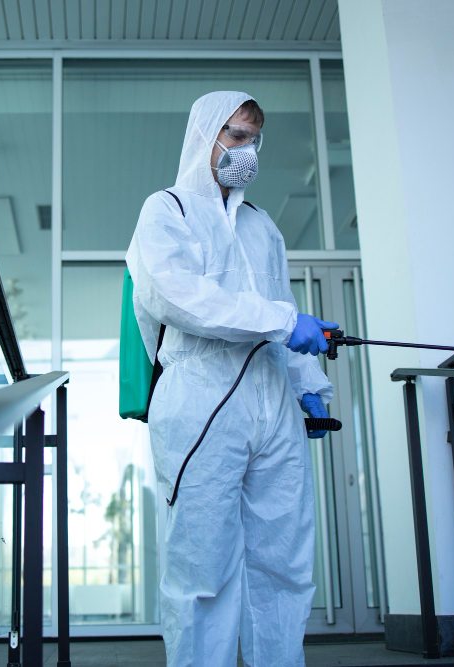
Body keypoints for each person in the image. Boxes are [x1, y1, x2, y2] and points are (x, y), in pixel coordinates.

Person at [126, 91, 337, 666]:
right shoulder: (166, 210)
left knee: (284, 562)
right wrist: (281, 322)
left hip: (272, 401)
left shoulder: (262, 226)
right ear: (205, 138)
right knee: (203, 567)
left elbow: (280, 307)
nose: (248, 150)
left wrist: (308, 385)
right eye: (236, 136)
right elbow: (176, 296)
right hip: (200, 397)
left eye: (254, 139)